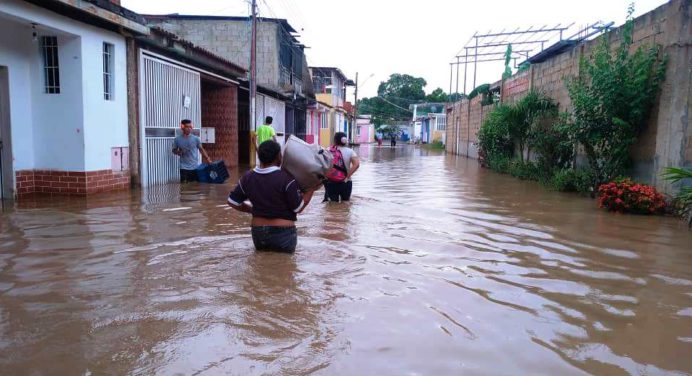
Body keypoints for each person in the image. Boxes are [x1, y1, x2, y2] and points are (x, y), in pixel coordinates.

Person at [227, 140, 318, 253]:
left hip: (259, 232)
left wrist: (250, 209)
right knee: (285, 267)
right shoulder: (286, 178)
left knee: (260, 267)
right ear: (279, 156)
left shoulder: (247, 177)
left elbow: (232, 202)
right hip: (284, 233)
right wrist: (312, 187)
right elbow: (298, 208)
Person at [324, 132, 360, 202]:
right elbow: (357, 164)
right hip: (346, 182)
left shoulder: (328, 150)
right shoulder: (350, 151)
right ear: (345, 141)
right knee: (346, 204)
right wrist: (347, 176)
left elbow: (323, 164)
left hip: (331, 182)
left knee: (332, 205)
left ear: (335, 140)